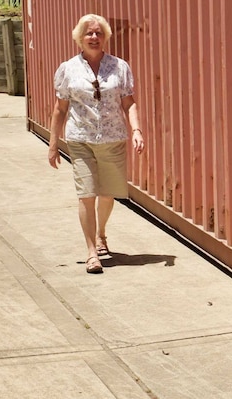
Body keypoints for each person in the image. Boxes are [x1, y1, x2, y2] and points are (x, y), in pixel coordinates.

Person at [47, 14, 145, 274]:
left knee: (107, 193)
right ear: (79, 38)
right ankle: (92, 252)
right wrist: (53, 144)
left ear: (105, 37)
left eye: (98, 33)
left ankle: (101, 233)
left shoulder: (119, 67)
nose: (94, 37)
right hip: (81, 139)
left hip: (113, 139)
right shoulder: (68, 69)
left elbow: (128, 102)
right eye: (89, 33)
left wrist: (136, 129)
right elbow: (60, 108)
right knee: (86, 194)